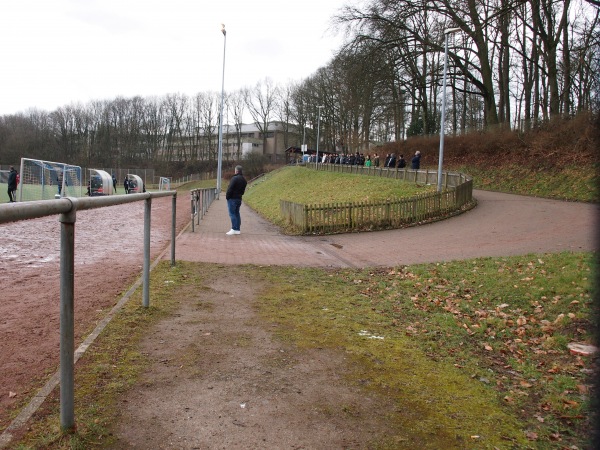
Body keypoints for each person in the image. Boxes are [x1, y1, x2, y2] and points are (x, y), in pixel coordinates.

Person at [225, 165, 247, 236]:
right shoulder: (244, 180)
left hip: (232, 198)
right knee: (237, 213)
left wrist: (227, 197)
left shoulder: (234, 178)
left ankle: (233, 229)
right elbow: (243, 191)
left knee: (232, 214)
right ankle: (237, 229)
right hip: (239, 198)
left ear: (236, 171)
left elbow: (230, 188)